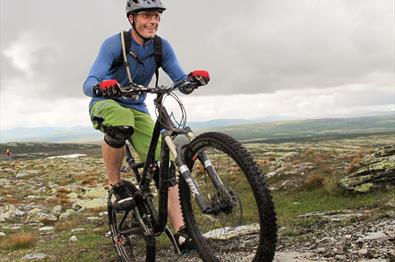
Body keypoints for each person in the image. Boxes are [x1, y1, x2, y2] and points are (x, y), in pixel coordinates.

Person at [83, 0, 209, 253]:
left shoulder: (162, 47)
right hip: (106, 104)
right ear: (132, 19)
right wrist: (102, 86)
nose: (154, 21)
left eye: (157, 16)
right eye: (147, 16)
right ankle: (116, 185)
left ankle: (182, 233)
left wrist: (193, 81)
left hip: (138, 109)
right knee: (121, 123)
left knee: (166, 166)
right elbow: (89, 83)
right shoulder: (115, 44)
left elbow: (180, 82)